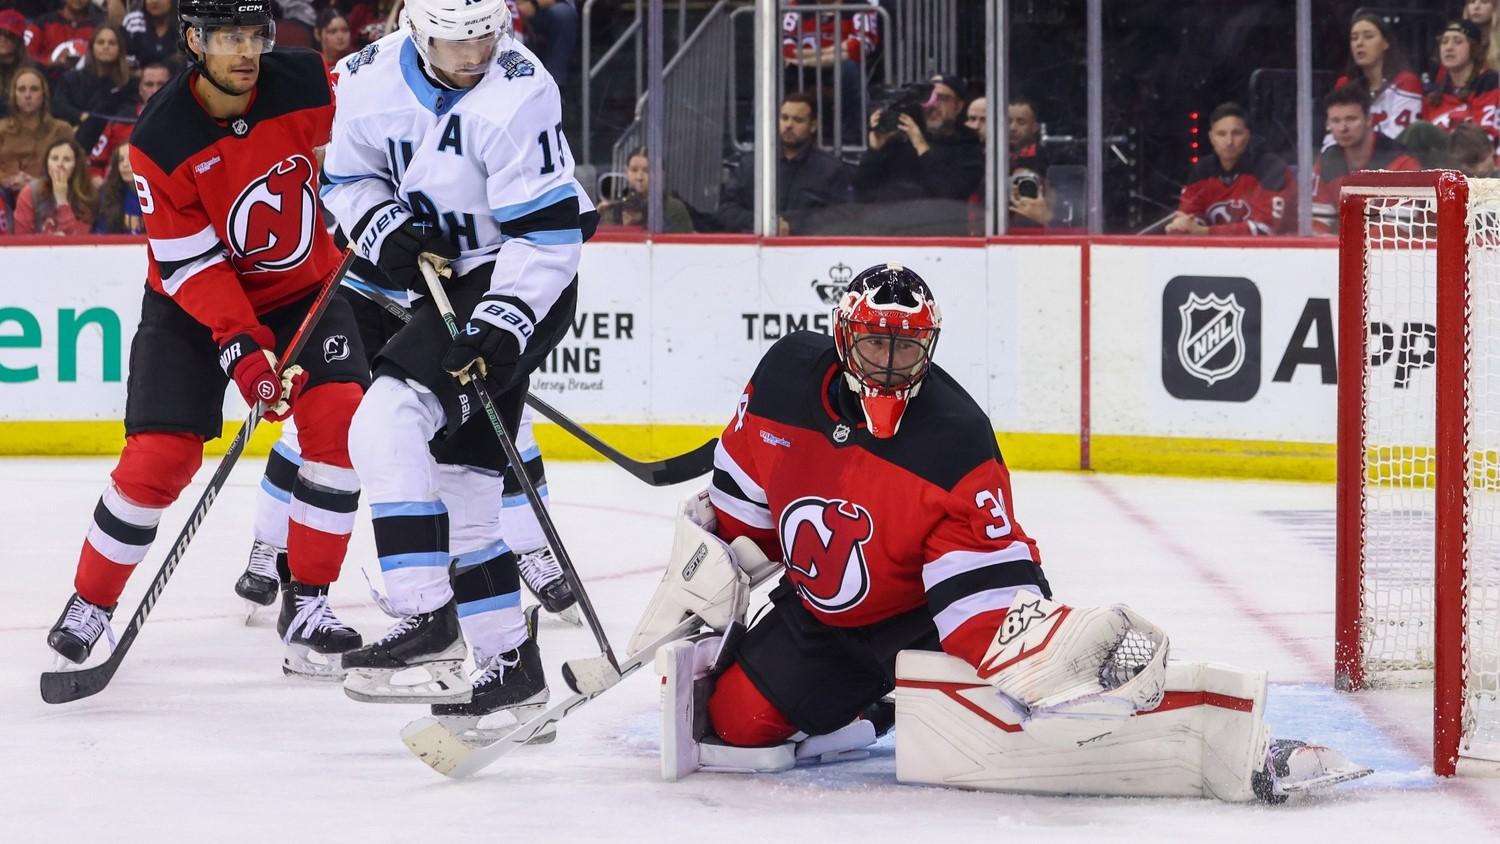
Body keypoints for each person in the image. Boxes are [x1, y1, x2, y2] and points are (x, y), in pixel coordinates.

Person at [630, 264, 1373, 801]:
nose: (891, 365)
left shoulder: (955, 439)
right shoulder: (787, 376)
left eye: (909, 346)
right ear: (841, 337)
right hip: (816, 619)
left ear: (933, 345)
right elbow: (742, 510)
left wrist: (1028, 656)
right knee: (734, 727)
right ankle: (874, 705)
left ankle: (1222, 735)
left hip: (920, 622)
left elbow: (979, 606)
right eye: (876, 344)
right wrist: (704, 579)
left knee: (1031, 718)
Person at [43, 0, 370, 681]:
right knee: (159, 461)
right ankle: (92, 601)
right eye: (226, 36)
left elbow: (384, 125)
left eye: (254, 33)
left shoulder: (307, 80)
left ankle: (307, 604)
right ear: (194, 41)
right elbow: (193, 266)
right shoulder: (160, 137)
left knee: (340, 427)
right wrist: (246, 353)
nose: (245, 49)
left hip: (304, 291)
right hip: (191, 307)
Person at [321, 0, 594, 716]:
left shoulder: (521, 88)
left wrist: (505, 323)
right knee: (468, 493)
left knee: (384, 422)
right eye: (456, 43)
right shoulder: (365, 80)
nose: (475, 56)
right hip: (443, 281)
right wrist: (387, 233)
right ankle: (509, 666)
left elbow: (546, 234)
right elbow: (347, 181)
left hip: (521, 277)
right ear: (415, 30)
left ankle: (428, 615)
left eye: (485, 38)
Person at [852, 74, 982, 233]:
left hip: (940, 237)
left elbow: (950, 193)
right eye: (928, 98)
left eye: (942, 98)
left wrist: (920, 145)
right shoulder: (899, 139)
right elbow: (862, 191)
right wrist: (875, 150)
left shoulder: (969, 147)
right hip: (890, 232)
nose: (933, 105)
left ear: (959, 107)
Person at [713, 92, 851, 235]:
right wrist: (763, 224)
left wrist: (793, 226)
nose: (789, 125)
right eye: (784, 118)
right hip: (754, 249)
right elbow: (725, 209)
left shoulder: (830, 169)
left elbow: (841, 217)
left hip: (807, 251)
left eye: (798, 120)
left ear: (813, 126)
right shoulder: (752, 165)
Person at [1165, 102, 1292, 236]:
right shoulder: (1202, 171)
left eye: (1236, 133)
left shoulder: (1271, 169)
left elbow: (1265, 229)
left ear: (1247, 135)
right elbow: (1190, 215)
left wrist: (1205, 232)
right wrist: (1184, 225)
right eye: (1221, 134)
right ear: (1211, 138)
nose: (1229, 141)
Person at [1312, 84, 1421, 234]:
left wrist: (1347, 247)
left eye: (1351, 119)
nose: (1343, 128)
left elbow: (1397, 229)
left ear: (1369, 119)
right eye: (1335, 121)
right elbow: (1316, 223)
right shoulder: (1326, 162)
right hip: (1348, 249)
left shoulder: (1401, 162)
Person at [781, 0, 877, 149]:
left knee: (849, 69)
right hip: (803, 68)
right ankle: (755, 135)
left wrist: (809, 58)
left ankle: (852, 140)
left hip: (839, 67)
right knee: (775, 71)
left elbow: (860, 47)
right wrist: (833, 52)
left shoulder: (859, 5)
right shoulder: (797, 5)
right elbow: (786, 47)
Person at [1332, 12, 1422, 142]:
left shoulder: (1406, 82)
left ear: (1386, 43)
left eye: (1368, 37)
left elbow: (1399, 137)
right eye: (1354, 38)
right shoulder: (1344, 84)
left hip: (1391, 159)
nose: (1359, 43)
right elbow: (1333, 137)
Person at [76, 61, 170, 185]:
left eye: (161, 84)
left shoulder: (183, 122)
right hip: (120, 193)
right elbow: (95, 164)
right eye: (149, 84)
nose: (155, 90)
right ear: (140, 89)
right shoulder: (120, 121)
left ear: (170, 86)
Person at [0, 68, 75, 201]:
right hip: (6, 197)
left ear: (43, 94)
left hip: (49, 196)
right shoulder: (2, 129)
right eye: (21, 89)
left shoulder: (61, 130)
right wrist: (7, 181)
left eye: (34, 89)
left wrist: (37, 184)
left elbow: (73, 170)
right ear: (14, 95)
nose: (27, 95)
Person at [1422, 19, 1500, 142]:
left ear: (1474, 48)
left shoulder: (1491, 83)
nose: (1449, 48)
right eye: (1444, 42)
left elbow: (1486, 139)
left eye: (1457, 42)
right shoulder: (1433, 97)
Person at [596, 147, 693, 232]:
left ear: (660, 174)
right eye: (634, 170)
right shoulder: (615, 205)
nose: (639, 177)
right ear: (626, 172)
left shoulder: (674, 208)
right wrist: (599, 216)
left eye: (647, 171)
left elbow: (681, 246)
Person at [10, 136, 93, 234]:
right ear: (47, 164)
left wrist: (62, 201)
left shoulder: (87, 194)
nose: (60, 164)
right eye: (54, 158)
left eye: (66, 159)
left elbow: (77, 241)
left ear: (76, 165)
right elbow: (21, 239)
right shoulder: (30, 192)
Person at [52, 24, 130, 125]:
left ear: (120, 49)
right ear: (92, 47)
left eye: (112, 43)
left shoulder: (127, 83)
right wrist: (80, 115)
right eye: (100, 42)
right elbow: (59, 106)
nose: (106, 46)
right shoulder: (71, 79)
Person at [1005, 95, 1051, 229]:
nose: (1012, 128)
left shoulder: (1046, 158)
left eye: (1021, 122)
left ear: (1035, 127)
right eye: (1008, 121)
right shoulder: (994, 158)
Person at [29, 0, 106, 73]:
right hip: (46, 80)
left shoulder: (99, 28)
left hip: (86, 81)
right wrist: (50, 63)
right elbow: (27, 57)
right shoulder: (42, 23)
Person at [514, 0, 576, 87]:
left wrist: (534, 4)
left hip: (542, 7)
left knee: (563, 14)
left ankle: (555, 86)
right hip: (503, 10)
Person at [92, 140, 143, 233]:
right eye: (121, 160)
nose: (124, 165)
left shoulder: (155, 194)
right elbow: (100, 233)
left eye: (130, 158)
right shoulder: (107, 194)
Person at [123, 0, 182, 72]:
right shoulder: (133, 22)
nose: (154, 1)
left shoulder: (183, 24)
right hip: (139, 80)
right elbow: (125, 65)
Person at [0, 10, 35, 119]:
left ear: (19, 40)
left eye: (10, 35)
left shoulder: (30, 70)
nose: (3, 39)